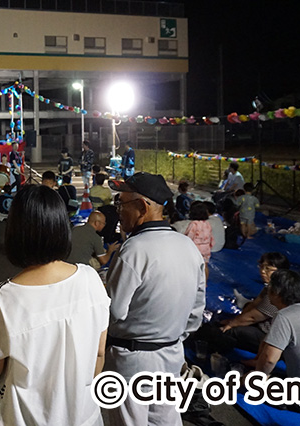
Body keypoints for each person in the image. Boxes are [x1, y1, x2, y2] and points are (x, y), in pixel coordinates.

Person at [0, 185, 110, 426]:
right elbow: (98, 354)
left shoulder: (3, 297)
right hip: (85, 416)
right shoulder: (90, 279)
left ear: (15, 232)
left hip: (22, 419)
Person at [104, 172, 206, 426]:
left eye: (121, 203)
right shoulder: (187, 246)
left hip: (131, 361)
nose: (118, 210)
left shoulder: (134, 250)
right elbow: (196, 310)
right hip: (172, 355)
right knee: (166, 420)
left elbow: (113, 310)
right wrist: (171, 338)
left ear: (141, 207)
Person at [220, 252, 290, 353]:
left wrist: (231, 324)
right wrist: (235, 320)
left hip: (273, 337)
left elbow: (253, 317)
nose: (262, 271)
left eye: (268, 269)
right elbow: (255, 304)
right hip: (264, 324)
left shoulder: (279, 291)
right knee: (246, 310)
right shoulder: (271, 286)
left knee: (231, 332)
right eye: (261, 267)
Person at [184, 202, 214, 272]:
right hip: (206, 248)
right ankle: (205, 282)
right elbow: (211, 237)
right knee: (205, 266)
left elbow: (189, 237)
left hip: (196, 248)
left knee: (194, 266)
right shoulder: (207, 223)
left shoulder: (193, 224)